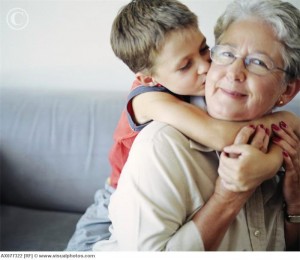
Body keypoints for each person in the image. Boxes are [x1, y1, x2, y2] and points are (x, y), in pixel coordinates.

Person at [66, 0, 299, 251]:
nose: (206, 67)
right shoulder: (149, 103)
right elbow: (219, 135)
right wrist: (272, 158)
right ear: (148, 77)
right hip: (102, 221)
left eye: (204, 50)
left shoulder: (196, 90)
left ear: (289, 89)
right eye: (186, 65)